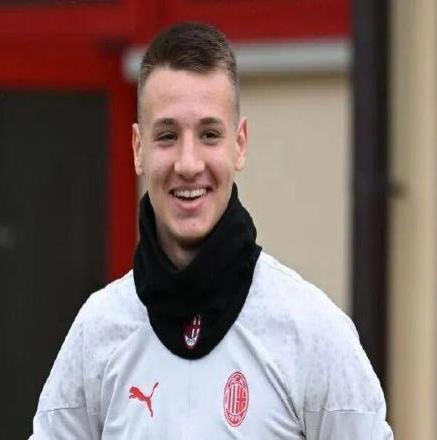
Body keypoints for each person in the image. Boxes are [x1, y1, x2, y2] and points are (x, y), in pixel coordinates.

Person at [30, 22, 393, 439]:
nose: (188, 163)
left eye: (209, 135)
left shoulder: (311, 332)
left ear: (240, 144)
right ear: (138, 148)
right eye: (167, 135)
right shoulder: (97, 332)